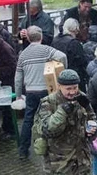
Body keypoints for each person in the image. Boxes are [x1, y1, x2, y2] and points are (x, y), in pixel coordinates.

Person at [16, 26, 67, 159]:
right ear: (41, 37)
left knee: (28, 120)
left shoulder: (23, 55)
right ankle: (51, 145)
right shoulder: (47, 50)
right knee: (49, 117)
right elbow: (62, 56)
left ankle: (23, 149)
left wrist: (18, 95)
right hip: (46, 89)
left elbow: (18, 78)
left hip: (31, 91)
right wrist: (63, 71)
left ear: (27, 38)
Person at [55, 18, 91, 85]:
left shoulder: (55, 41)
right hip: (74, 76)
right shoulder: (74, 43)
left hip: (59, 75)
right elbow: (82, 61)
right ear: (76, 29)